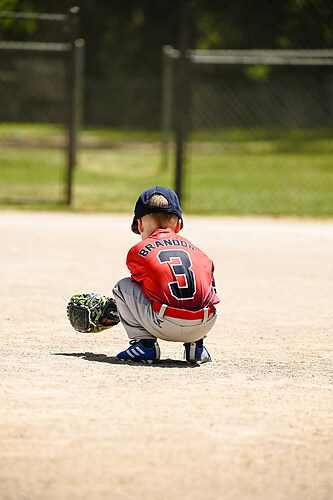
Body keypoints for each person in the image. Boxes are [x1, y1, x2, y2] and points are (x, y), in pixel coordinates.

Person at [112, 186, 220, 364]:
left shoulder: (138, 250)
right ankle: (196, 346)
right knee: (206, 280)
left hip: (164, 323)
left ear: (139, 225)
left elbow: (141, 289)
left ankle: (144, 345)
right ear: (179, 225)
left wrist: (116, 307)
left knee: (122, 287)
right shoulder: (198, 251)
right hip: (204, 323)